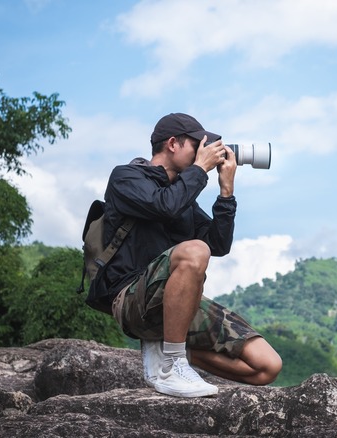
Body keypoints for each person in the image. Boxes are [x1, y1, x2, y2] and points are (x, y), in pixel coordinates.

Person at [90, 112, 282, 398]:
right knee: (194, 250)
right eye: (198, 146)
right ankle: (172, 365)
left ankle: (171, 348)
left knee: (267, 366)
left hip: (175, 303)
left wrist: (226, 192)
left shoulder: (183, 197)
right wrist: (200, 170)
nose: (203, 153)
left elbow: (218, 244)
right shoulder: (126, 177)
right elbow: (164, 206)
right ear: (172, 144)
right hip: (130, 299)